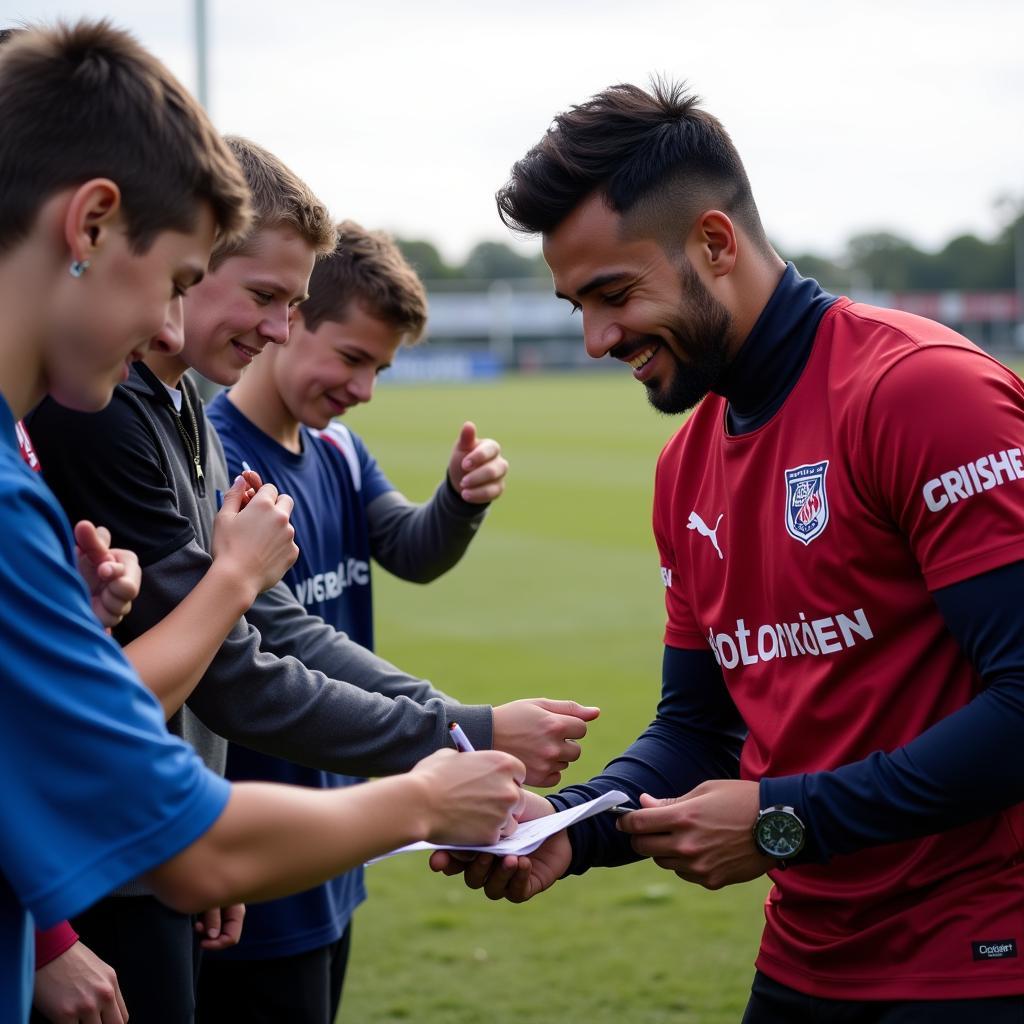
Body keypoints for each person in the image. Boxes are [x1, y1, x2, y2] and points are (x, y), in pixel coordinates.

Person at [431, 80, 1024, 1022]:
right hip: (804, 962)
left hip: (979, 965)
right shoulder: (684, 467)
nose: (594, 339)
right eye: (576, 304)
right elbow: (700, 731)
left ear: (715, 243)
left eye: (614, 294)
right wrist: (572, 827)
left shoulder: (921, 394)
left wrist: (787, 822)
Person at [0, 20, 525, 1024]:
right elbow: (195, 838)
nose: (169, 327)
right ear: (92, 224)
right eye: (181, 281)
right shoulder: (54, 448)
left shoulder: (52, 452)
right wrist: (429, 785)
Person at [196, 220, 508, 1022]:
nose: (364, 388)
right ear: (290, 319)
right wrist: (460, 723)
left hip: (339, 825)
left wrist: (457, 503)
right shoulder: (222, 461)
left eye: (381, 367)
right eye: (353, 357)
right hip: (257, 826)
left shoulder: (336, 451)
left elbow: (408, 546)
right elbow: (282, 644)